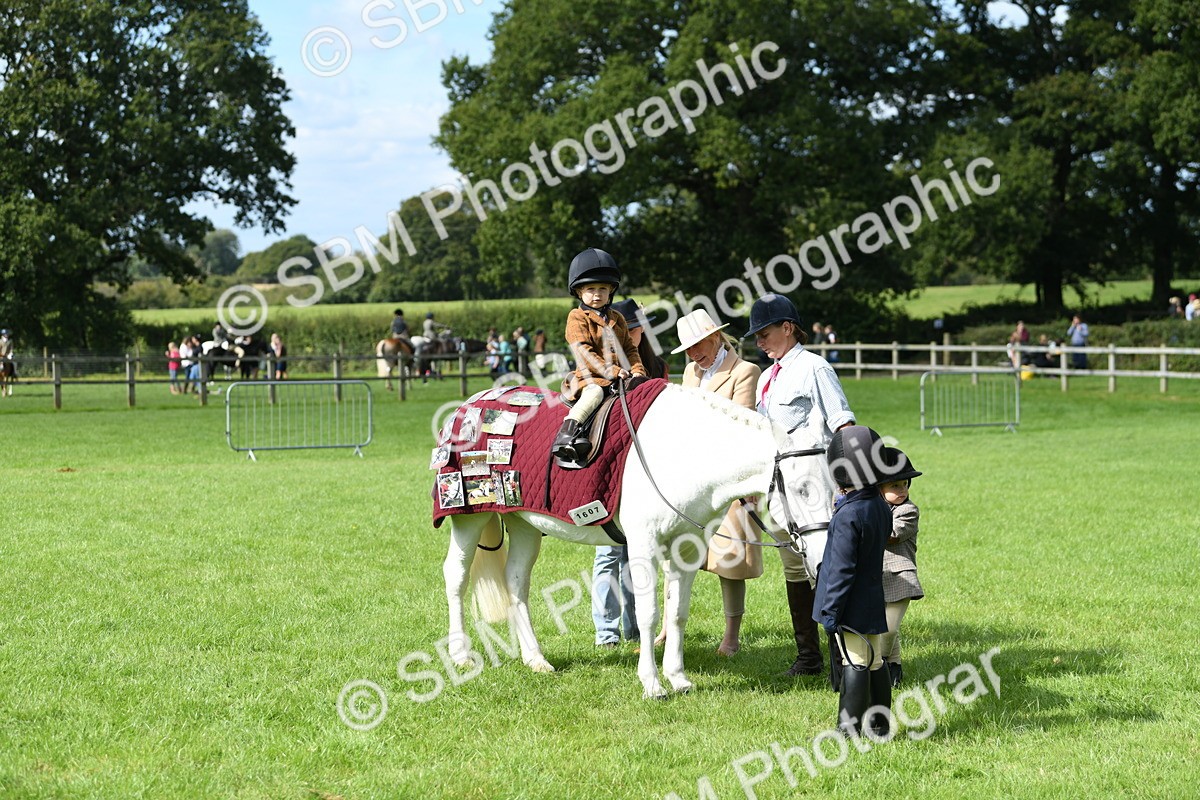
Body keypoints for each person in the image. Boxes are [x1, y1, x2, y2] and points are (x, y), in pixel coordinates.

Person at [746, 293, 856, 677]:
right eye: (756, 335)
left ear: (787, 328)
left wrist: (847, 483)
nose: (759, 341)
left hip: (815, 485)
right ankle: (808, 656)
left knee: (823, 566)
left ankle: (843, 658)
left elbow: (843, 424)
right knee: (794, 569)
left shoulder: (815, 368)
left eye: (765, 332)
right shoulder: (766, 378)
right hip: (779, 489)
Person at [660, 308, 761, 656]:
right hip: (691, 477)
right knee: (674, 552)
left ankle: (731, 636)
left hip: (729, 476)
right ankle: (665, 628)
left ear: (716, 337)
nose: (693, 354)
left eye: (697, 344)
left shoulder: (745, 371)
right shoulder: (690, 371)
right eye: (687, 348)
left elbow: (741, 424)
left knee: (730, 560)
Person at [589, 299, 667, 648]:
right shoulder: (604, 368)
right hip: (612, 466)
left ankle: (634, 627)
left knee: (639, 554)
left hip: (647, 468)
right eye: (628, 327)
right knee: (608, 553)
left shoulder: (656, 367)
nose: (634, 332)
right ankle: (606, 633)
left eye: (637, 327)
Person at [816, 425, 893, 736]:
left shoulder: (849, 515)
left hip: (850, 604)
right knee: (875, 661)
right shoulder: (878, 505)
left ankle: (848, 730)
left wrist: (831, 612)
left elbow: (842, 569)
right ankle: (879, 726)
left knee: (856, 661)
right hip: (873, 597)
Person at [551, 248, 646, 461]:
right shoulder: (576, 317)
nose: (597, 294)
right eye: (591, 288)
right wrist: (611, 370)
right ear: (578, 292)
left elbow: (630, 349)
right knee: (594, 393)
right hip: (590, 378)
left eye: (603, 288)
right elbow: (584, 352)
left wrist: (638, 371)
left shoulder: (618, 318)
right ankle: (567, 434)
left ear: (611, 290)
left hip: (620, 377)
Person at [877, 446, 924, 689]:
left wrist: (866, 519)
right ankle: (894, 667)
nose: (903, 490)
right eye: (895, 486)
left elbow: (892, 534)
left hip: (900, 577)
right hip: (875, 577)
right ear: (879, 489)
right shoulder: (874, 507)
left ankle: (879, 663)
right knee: (882, 623)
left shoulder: (908, 510)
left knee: (889, 629)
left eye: (905, 484)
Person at [0, 328, 14, 396]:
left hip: (7, 357)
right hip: (1, 356)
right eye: (6, 334)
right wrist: (2, 355)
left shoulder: (10, 341)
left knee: (13, 363)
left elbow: (11, 349)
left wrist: (10, 354)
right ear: (3, 334)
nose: (7, 335)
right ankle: (3, 390)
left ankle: (14, 372)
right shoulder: (0, 341)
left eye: (7, 334)